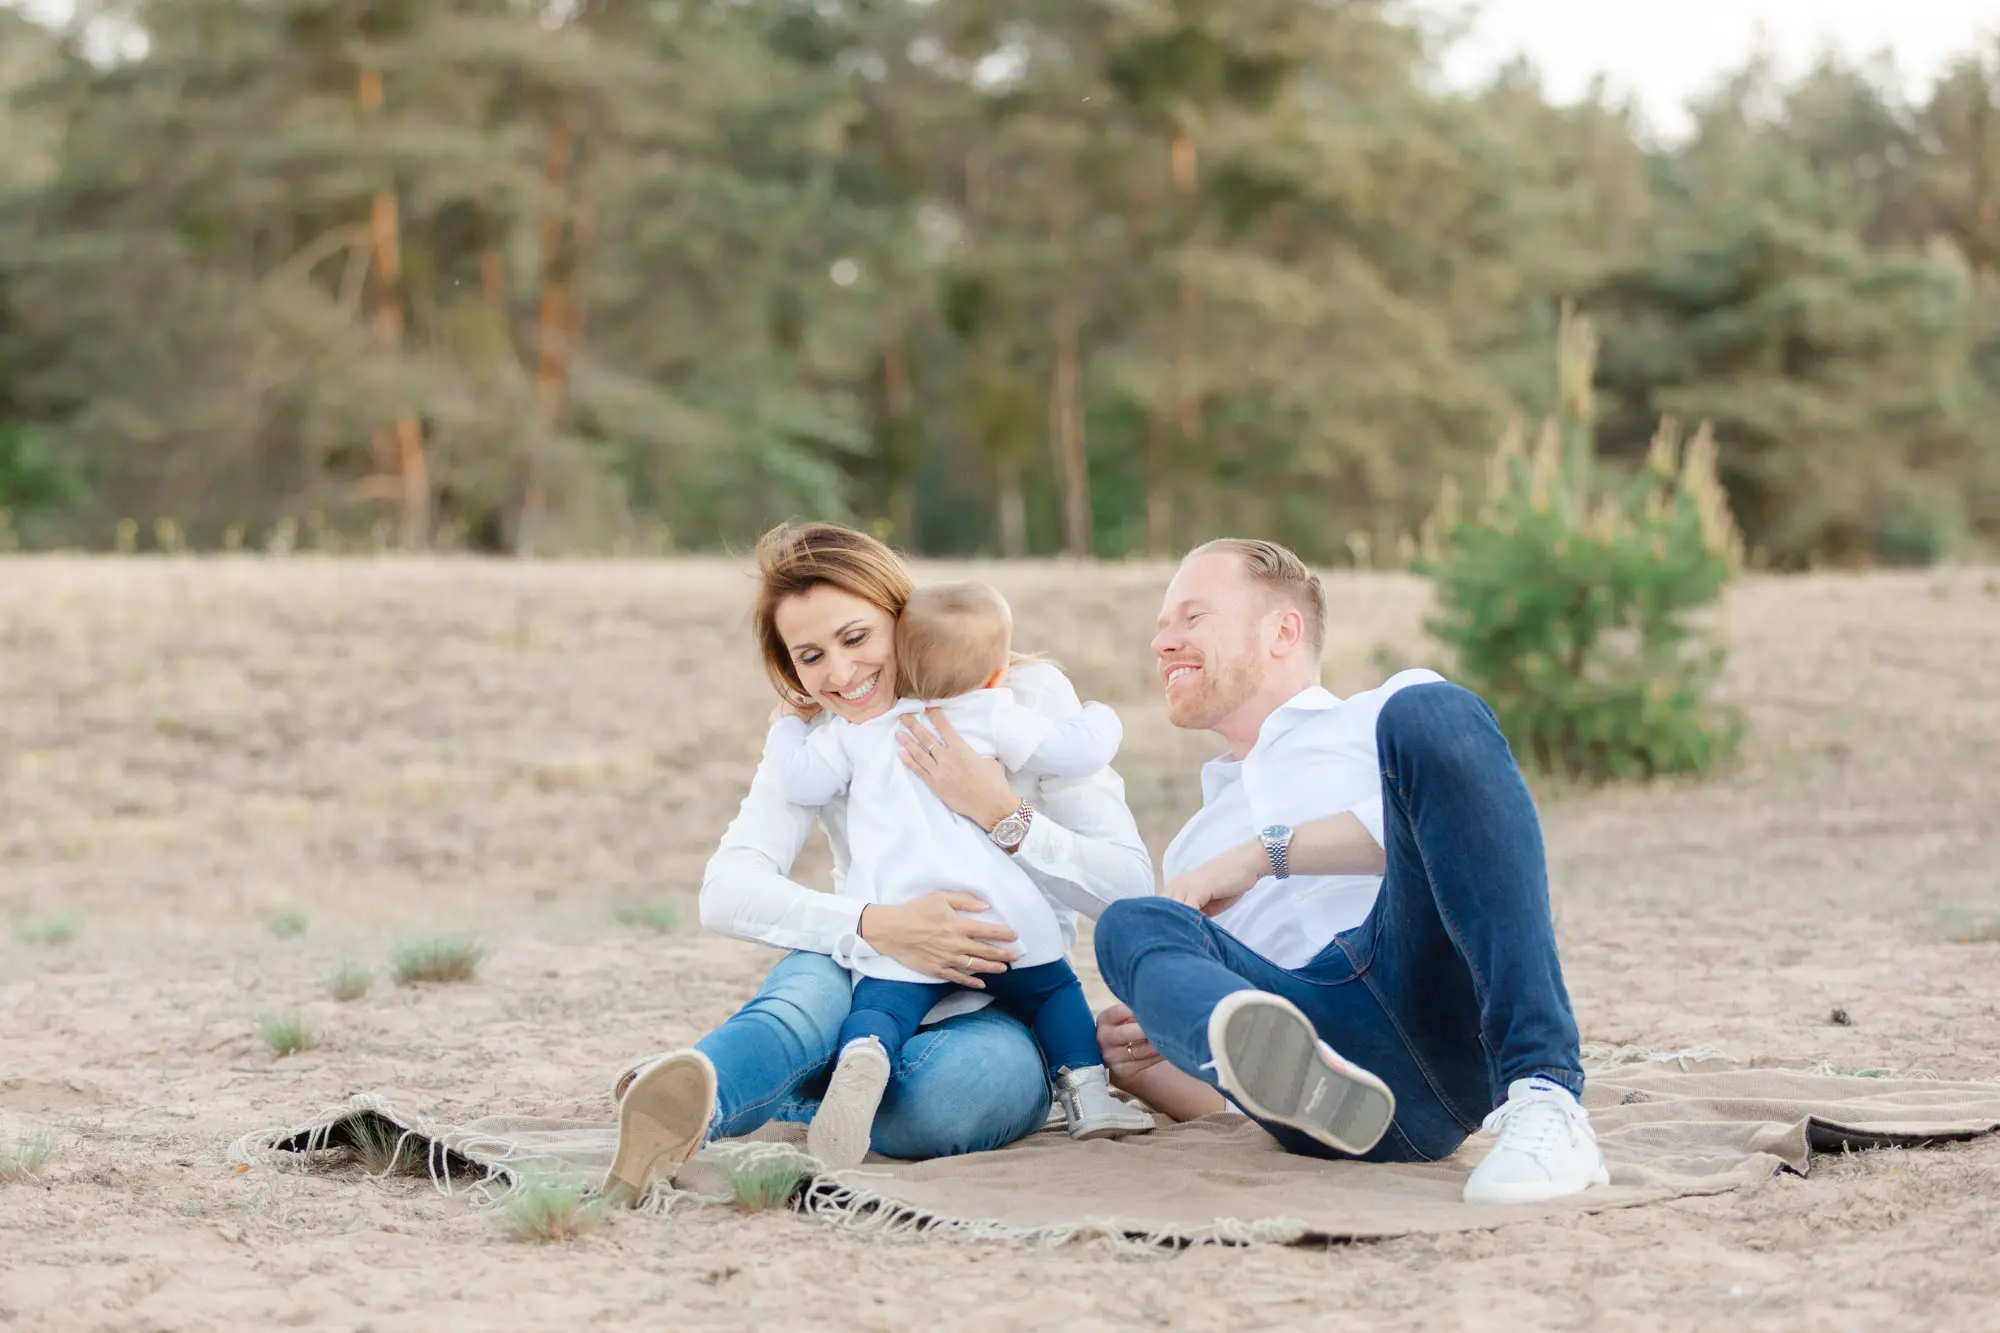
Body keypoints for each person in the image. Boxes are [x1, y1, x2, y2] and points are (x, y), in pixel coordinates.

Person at [600, 523, 1155, 1205]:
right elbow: (725, 892)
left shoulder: (1023, 696)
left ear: (903, 615)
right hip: (866, 966)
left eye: (856, 638)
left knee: (951, 1098)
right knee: (798, 1006)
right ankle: (689, 1112)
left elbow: (1128, 887)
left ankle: (793, 1088)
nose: (839, 673)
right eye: (810, 655)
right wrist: (875, 924)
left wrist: (1000, 812)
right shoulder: (819, 733)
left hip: (1004, 994)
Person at [1091, 538, 1609, 1206]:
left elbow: (1479, 846)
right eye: (1161, 627)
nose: (1163, 643)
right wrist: (1157, 1057)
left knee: (1433, 711)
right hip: (1334, 1061)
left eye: (1190, 618)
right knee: (1129, 925)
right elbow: (1225, 1110)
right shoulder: (1190, 846)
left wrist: (1262, 854)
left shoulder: (1383, 716)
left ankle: (1546, 1095)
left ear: (1283, 630)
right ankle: (1313, 1075)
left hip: (1435, 991)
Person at [766, 580, 1154, 1168]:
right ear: (997, 673)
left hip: (903, 922)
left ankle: (865, 1053)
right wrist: (1102, 715)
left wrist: (785, 725)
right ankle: (1089, 1096)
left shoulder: (856, 731)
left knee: (880, 1004)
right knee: (1054, 994)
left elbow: (798, 780)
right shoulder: (997, 713)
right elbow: (1078, 750)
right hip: (999, 925)